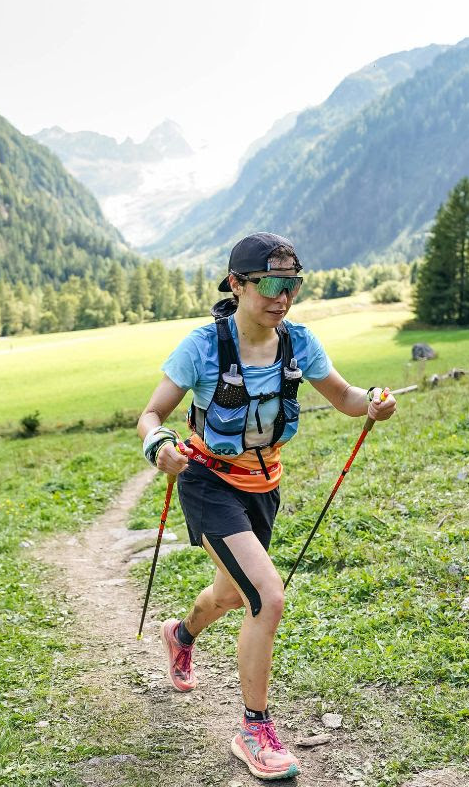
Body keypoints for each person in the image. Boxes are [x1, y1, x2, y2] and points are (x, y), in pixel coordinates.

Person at [136, 232, 396, 781]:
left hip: (264, 486)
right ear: (237, 284)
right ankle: (255, 728)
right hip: (208, 483)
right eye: (272, 285)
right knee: (268, 596)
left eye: (293, 286)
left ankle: (180, 635)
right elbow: (151, 414)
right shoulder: (203, 347)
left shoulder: (299, 342)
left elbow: (347, 399)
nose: (283, 298)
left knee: (233, 594)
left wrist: (374, 403)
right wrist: (159, 448)